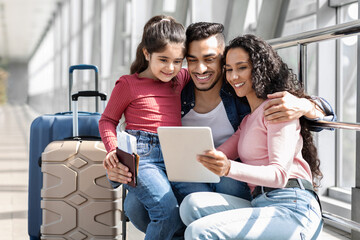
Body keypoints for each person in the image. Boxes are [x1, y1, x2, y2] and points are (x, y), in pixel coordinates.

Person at [107, 22, 335, 234]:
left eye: (209, 59)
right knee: (137, 204)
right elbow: (139, 126)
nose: (200, 68)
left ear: (223, 59)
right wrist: (119, 167)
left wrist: (305, 104)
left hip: (249, 185)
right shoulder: (176, 87)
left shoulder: (243, 93)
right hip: (188, 174)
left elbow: (309, 106)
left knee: (225, 181)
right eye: (191, 60)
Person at [179, 34, 323, 239]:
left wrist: (229, 168)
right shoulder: (247, 121)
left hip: (293, 207)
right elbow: (215, 155)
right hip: (260, 202)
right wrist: (177, 155)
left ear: (259, 68)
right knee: (190, 205)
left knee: (198, 232)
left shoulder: (278, 109)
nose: (234, 76)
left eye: (242, 67)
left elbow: (279, 175)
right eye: (229, 69)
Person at [99, 15, 194, 240]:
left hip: (176, 153)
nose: (171, 67)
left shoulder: (180, 78)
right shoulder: (128, 84)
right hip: (142, 156)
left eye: (178, 61)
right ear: (146, 53)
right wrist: (112, 149)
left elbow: (212, 71)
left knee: (198, 202)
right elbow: (107, 120)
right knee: (167, 211)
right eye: (163, 60)